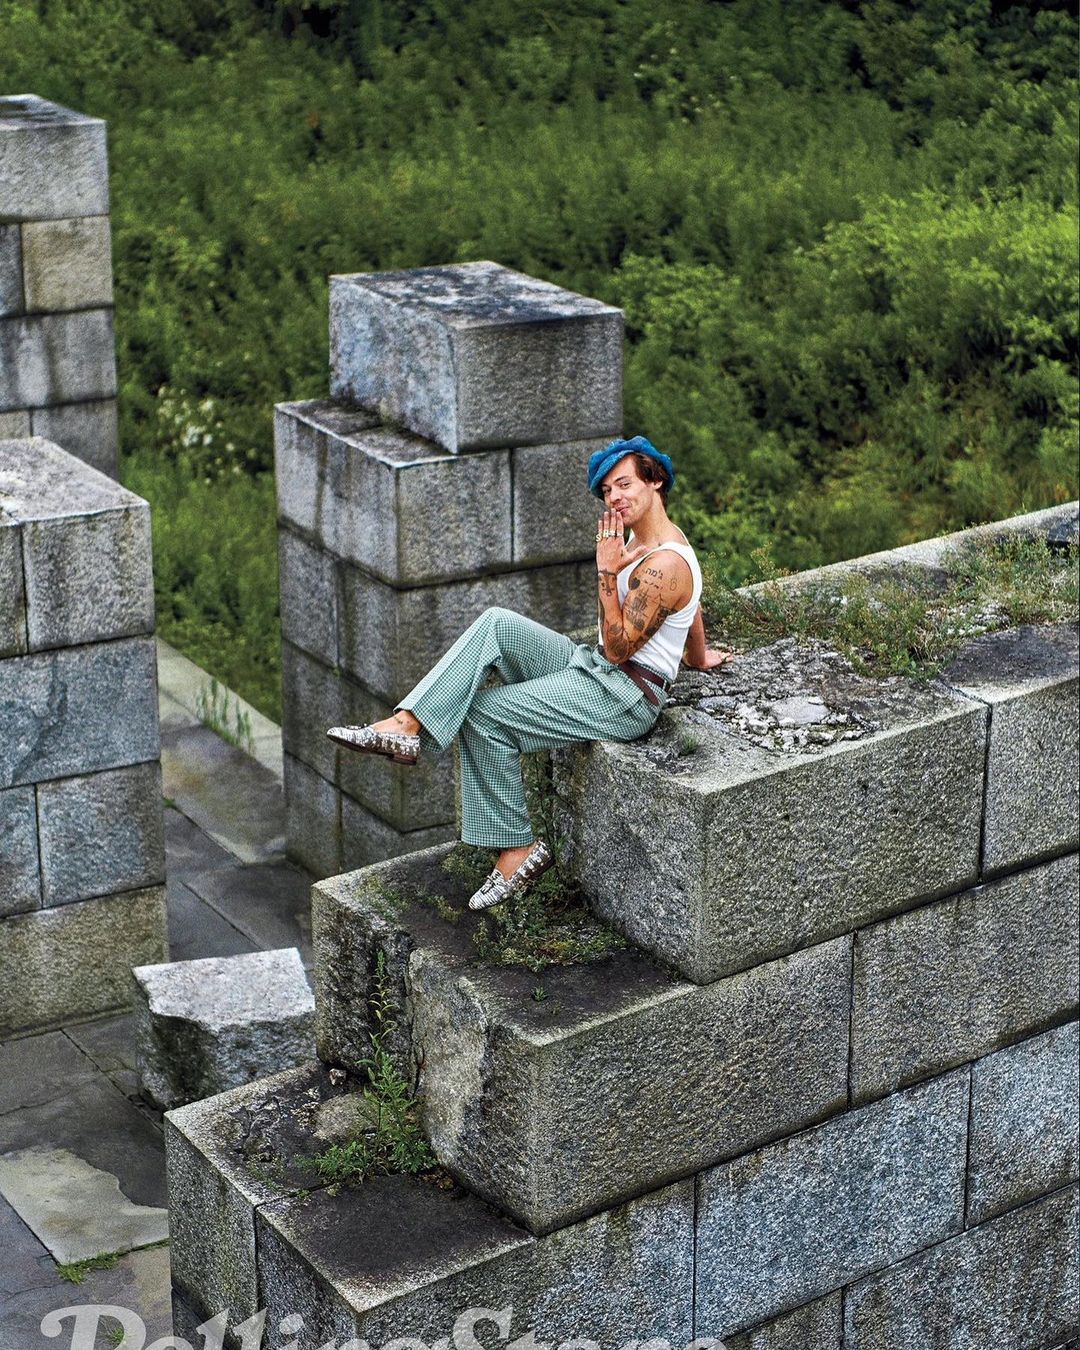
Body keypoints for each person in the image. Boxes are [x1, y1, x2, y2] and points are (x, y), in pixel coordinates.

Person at [327, 436, 732, 911]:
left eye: (623, 484)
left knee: (483, 715)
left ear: (656, 480)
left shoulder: (663, 564)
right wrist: (698, 656)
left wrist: (605, 572)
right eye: (605, 491)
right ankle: (408, 725)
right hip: (594, 666)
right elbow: (693, 607)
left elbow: (623, 649)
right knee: (497, 623)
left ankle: (518, 848)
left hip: (625, 692)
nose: (613, 497)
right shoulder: (649, 540)